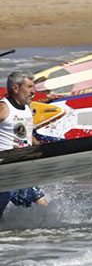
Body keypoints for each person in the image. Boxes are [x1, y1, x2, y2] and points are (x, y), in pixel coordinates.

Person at [0, 71, 49, 219]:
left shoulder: (26, 107)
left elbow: (26, 132)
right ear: (16, 88)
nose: (33, 91)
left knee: (41, 203)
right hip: (5, 171)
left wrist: (40, 147)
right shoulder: (4, 107)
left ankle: (36, 235)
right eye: (29, 87)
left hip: (20, 170)